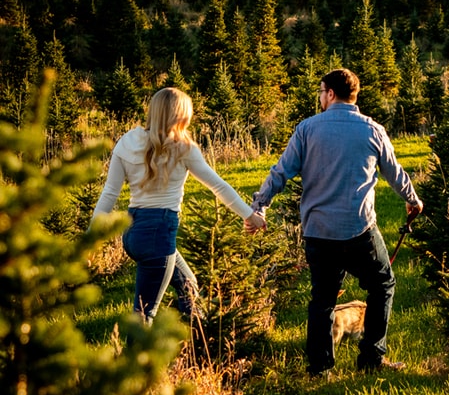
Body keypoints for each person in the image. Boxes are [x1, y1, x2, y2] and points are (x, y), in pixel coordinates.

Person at [249, 68, 423, 376]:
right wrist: (412, 200)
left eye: (320, 92)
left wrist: (259, 206)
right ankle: (371, 359)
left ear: (330, 94)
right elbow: (395, 174)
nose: (319, 98)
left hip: (318, 232)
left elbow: (281, 173)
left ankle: (320, 368)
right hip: (360, 231)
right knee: (383, 285)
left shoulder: (307, 129)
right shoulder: (373, 130)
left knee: (323, 299)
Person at [91, 87, 266, 325]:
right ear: (182, 115)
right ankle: (133, 361)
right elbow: (218, 186)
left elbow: (110, 193)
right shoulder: (183, 147)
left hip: (133, 233)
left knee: (188, 284)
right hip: (158, 234)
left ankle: (201, 345)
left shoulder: (127, 141)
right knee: (144, 313)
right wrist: (249, 215)